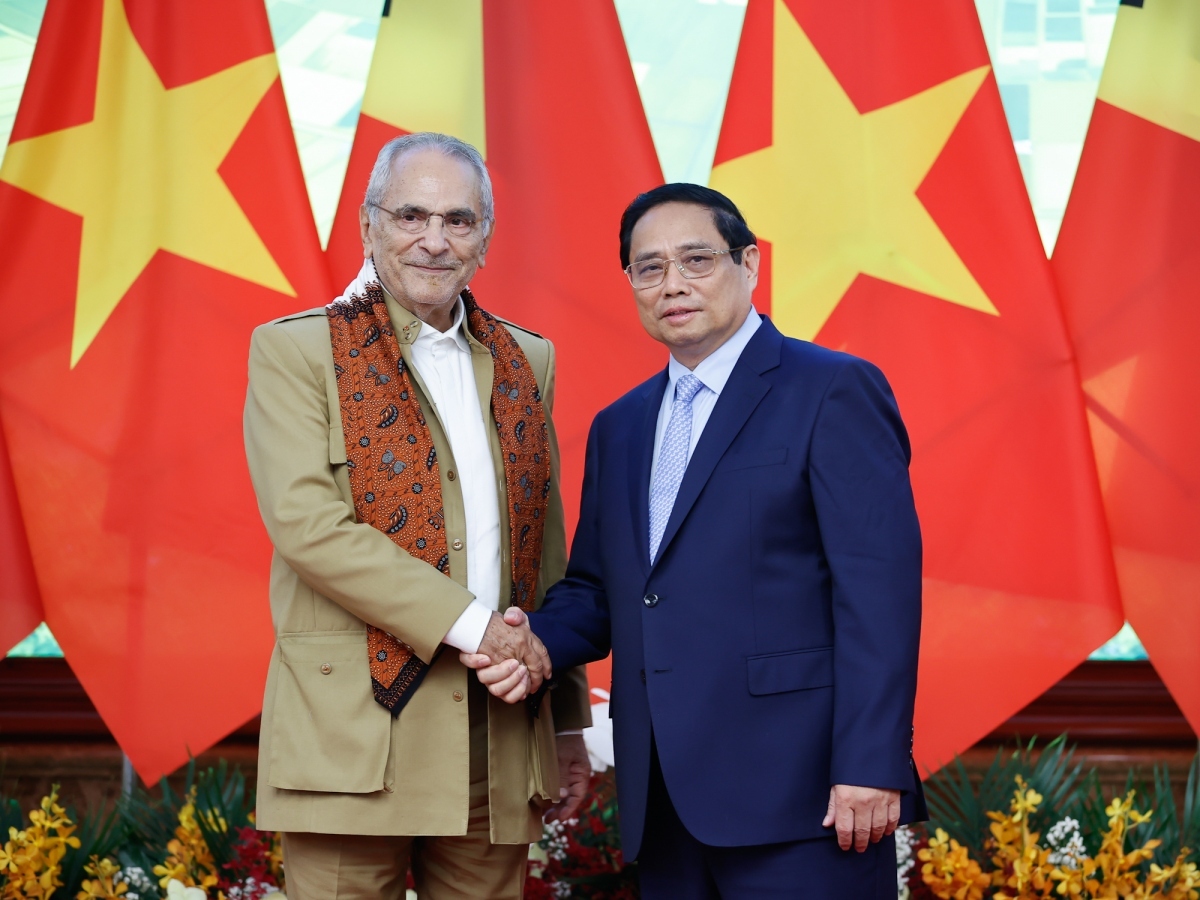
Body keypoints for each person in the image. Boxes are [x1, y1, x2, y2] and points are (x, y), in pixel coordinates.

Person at [464, 183, 925, 898]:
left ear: (750, 264)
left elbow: (879, 594)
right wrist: (535, 641)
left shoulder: (832, 390)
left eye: (696, 260)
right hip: (666, 800)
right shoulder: (621, 426)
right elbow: (600, 588)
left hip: (806, 798)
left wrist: (871, 762)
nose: (672, 284)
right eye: (648, 268)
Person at [243, 132, 591, 900]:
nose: (434, 240)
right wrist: (477, 628)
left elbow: (546, 557)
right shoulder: (297, 351)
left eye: (459, 221)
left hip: (496, 733)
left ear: (485, 240)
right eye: (411, 215)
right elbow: (310, 527)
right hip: (354, 736)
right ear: (370, 225)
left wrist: (565, 722)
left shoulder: (526, 360)